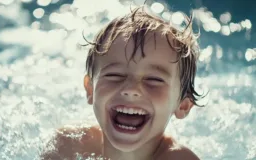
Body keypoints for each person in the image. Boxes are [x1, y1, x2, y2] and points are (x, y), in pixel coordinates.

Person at [40, 4, 204, 160]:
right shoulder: (67, 146)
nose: (131, 89)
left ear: (183, 105)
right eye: (114, 75)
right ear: (90, 89)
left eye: (153, 79)